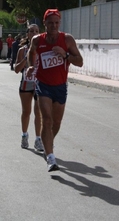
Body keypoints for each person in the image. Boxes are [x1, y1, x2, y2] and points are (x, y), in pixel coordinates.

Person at [26, 9, 83, 172]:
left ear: (60, 23)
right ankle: (51, 158)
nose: (53, 25)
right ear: (45, 23)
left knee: (56, 123)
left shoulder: (67, 39)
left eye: (56, 22)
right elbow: (32, 53)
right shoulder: (37, 40)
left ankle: (47, 142)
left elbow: (80, 61)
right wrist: (31, 66)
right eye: (50, 22)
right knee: (47, 119)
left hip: (60, 86)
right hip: (43, 84)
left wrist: (65, 55)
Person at [14, 24, 43, 151]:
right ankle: (24, 135)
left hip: (40, 83)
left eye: (36, 31)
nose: (34, 33)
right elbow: (16, 69)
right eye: (31, 31)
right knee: (26, 112)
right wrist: (26, 59)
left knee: (39, 113)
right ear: (28, 34)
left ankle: (38, 139)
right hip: (26, 83)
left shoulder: (43, 49)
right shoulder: (22, 50)